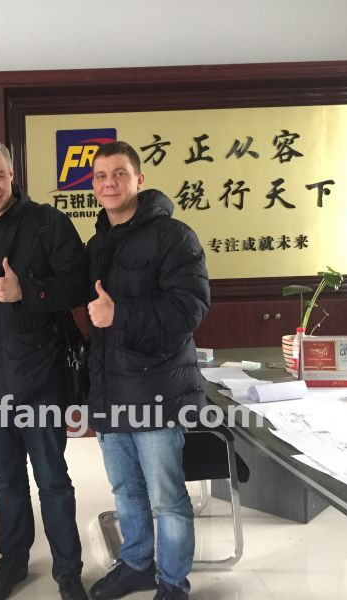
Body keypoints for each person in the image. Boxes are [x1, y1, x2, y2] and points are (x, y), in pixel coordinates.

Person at [0, 138, 89, 600]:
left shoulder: (48, 223)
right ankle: (12, 559)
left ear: (12, 174)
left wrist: (26, 291)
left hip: (39, 376)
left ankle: (68, 570)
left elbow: (77, 284)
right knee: (5, 479)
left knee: (52, 479)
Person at [85, 141, 210, 600]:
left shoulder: (174, 236)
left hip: (158, 391)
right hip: (110, 390)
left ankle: (173, 583)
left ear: (139, 179)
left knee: (167, 497)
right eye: (101, 176)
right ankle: (137, 563)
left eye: (119, 173)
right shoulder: (97, 243)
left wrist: (120, 314)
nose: (110, 183)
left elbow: (190, 308)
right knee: (125, 489)